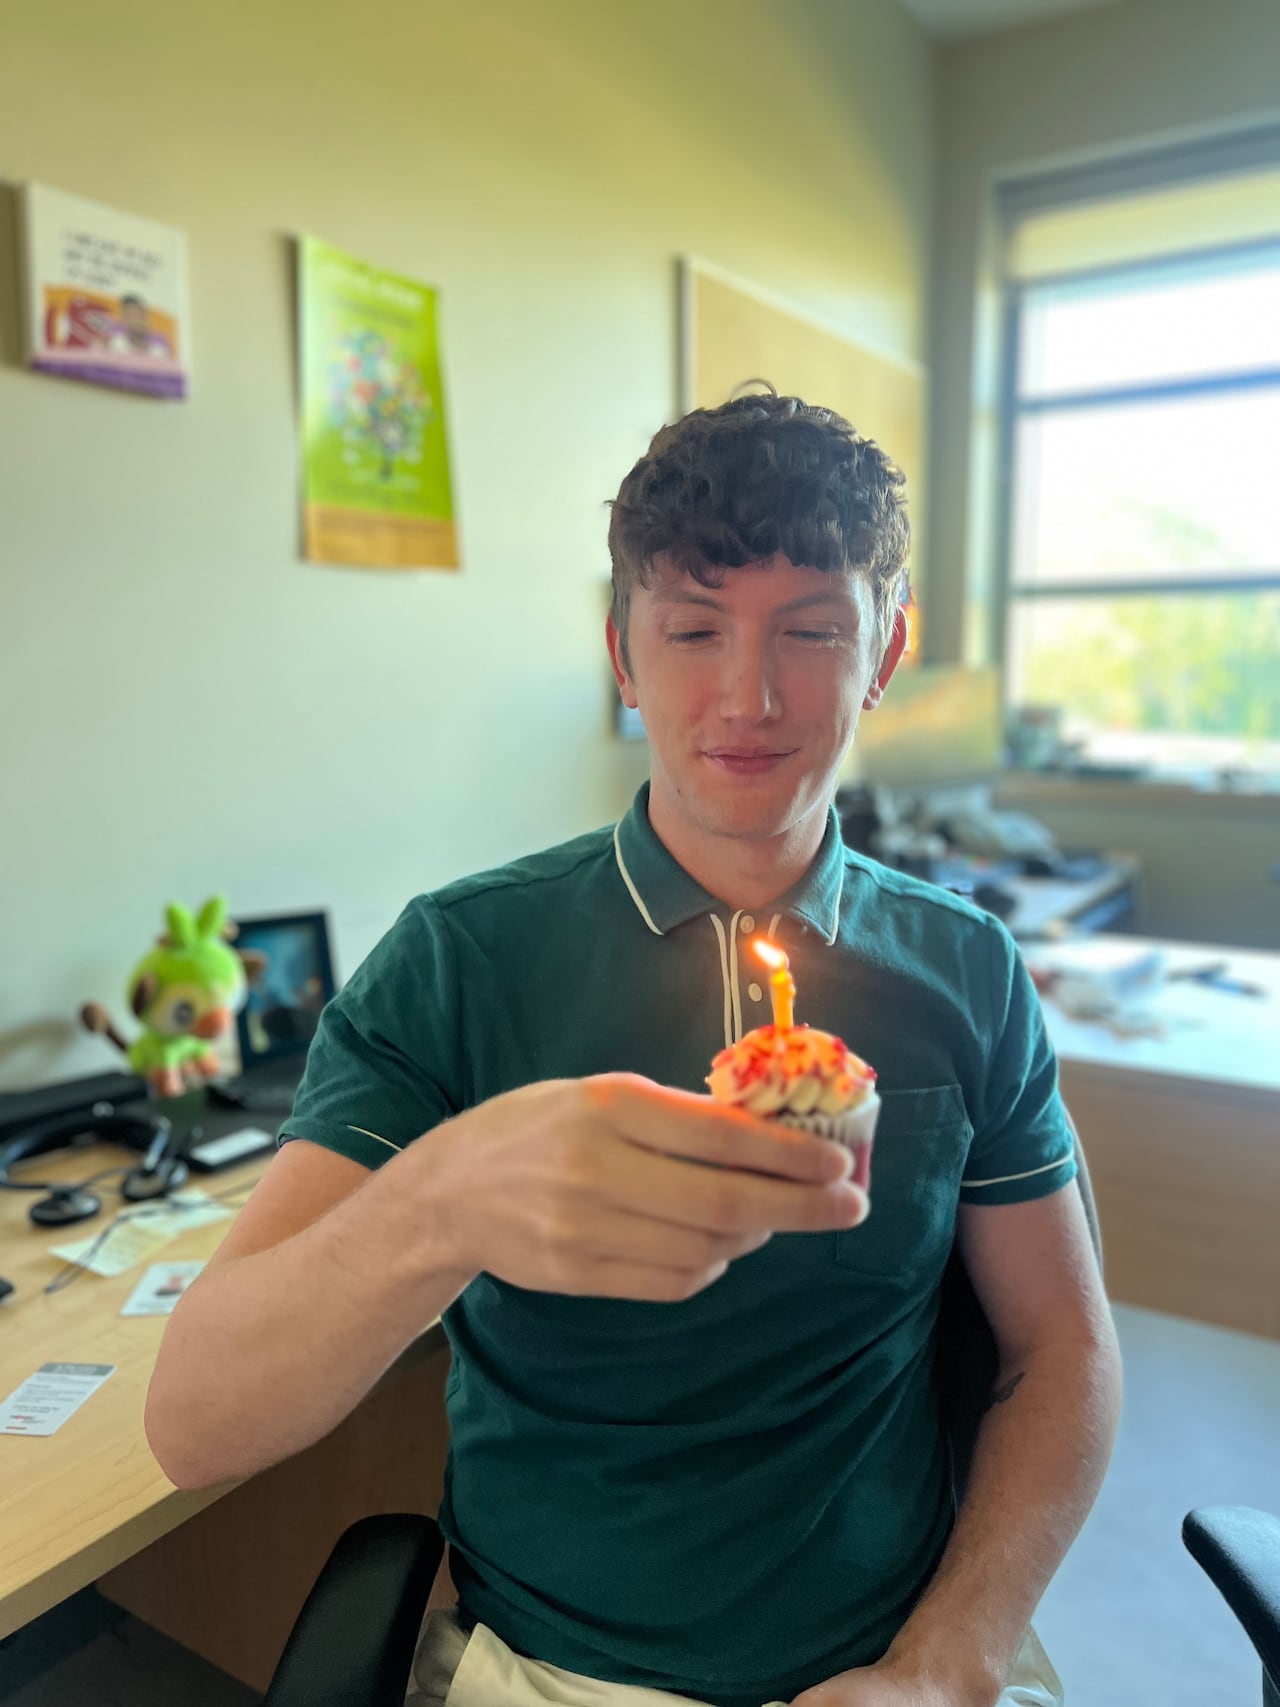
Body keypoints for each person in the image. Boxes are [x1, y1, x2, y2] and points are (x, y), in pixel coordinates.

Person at [145, 393, 1121, 1707]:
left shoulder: (968, 968)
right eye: (693, 629)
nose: (751, 694)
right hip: (562, 1674)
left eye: (814, 632)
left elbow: (1064, 1350)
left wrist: (950, 1662)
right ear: (622, 653)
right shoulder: (459, 962)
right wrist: (443, 1202)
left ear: (888, 646)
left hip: (906, 1662)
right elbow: (195, 1421)